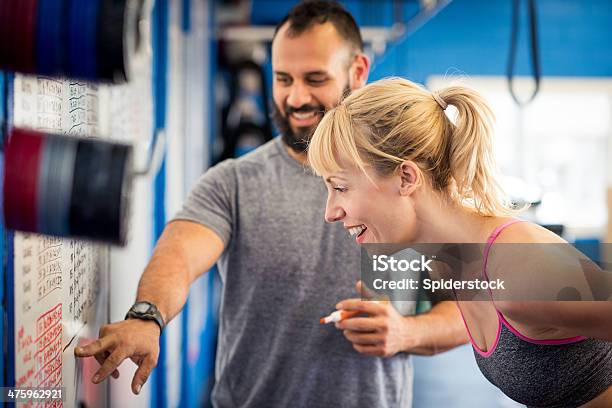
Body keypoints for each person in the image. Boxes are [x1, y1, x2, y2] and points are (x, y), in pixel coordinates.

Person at [74, 2, 468, 407]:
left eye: (315, 78)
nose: (296, 97)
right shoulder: (234, 182)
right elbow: (178, 256)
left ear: (358, 71)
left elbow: (470, 311)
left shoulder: (403, 189)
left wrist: (407, 333)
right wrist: (147, 316)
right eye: (283, 79)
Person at [307, 76, 612, 407]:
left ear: (406, 178)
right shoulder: (453, 264)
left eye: (340, 187)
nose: (330, 212)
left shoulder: (521, 270)